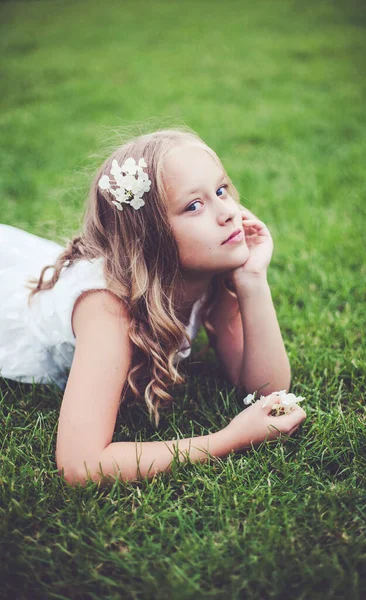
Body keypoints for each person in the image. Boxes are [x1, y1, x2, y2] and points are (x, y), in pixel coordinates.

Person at [0, 126, 306, 486]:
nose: (227, 212)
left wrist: (253, 281)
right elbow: (80, 464)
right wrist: (227, 440)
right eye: (194, 205)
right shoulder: (107, 309)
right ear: (151, 239)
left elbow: (268, 389)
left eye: (221, 190)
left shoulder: (211, 265)